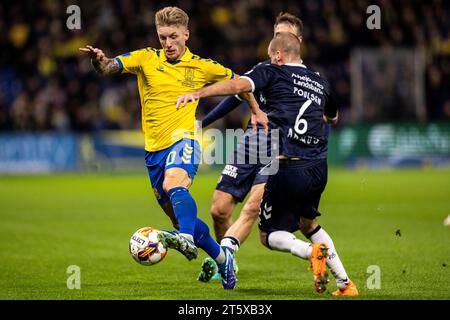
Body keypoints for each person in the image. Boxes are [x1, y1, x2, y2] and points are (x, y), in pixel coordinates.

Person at [79, 6, 268, 290]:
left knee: (174, 184)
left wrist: (255, 111)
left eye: (173, 37)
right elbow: (107, 68)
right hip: (153, 151)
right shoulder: (145, 58)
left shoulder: (202, 66)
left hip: (185, 138)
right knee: (181, 220)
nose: (167, 43)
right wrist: (99, 60)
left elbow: (241, 84)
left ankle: (188, 241)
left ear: (186, 35)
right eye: (163, 37)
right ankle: (222, 258)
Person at [177, 32, 359, 296]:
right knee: (309, 225)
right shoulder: (320, 81)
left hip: (287, 167)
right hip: (318, 167)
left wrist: (200, 93)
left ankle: (309, 252)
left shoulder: (272, 70)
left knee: (268, 234)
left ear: (278, 55)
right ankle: (346, 284)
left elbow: (237, 86)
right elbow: (333, 117)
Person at [197, 12, 305, 282]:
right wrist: (204, 122)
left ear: (298, 41)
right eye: (276, 34)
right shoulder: (263, 69)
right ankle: (225, 262)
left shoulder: (306, 80)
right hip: (251, 142)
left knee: (253, 210)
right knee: (218, 210)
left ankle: (227, 263)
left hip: (280, 148)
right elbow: (237, 95)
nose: (279, 40)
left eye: (286, 35)